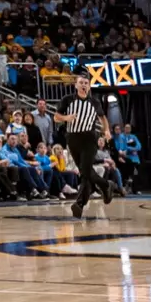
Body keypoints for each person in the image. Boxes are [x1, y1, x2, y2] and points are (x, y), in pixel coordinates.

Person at [54, 75, 110, 219]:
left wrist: (107, 131)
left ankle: (79, 204)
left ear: (89, 86)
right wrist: (67, 118)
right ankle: (105, 185)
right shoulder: (67, 99)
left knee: (85, 170)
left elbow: (102, 118)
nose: (84, 85)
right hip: (72, 138)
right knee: (85, 171)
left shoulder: (94, 102)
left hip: (89, 138)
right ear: (76, 85)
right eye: (81, 83)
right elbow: (56, 117)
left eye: (86, 83)